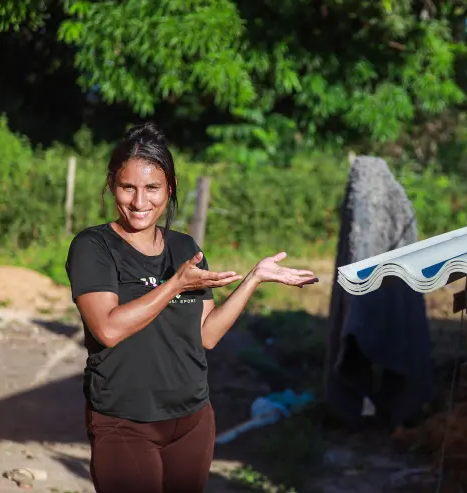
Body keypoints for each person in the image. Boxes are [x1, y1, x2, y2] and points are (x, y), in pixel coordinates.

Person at [65, 122, 318, 493]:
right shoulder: (94, 247)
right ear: (111, 185)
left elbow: (207, 335)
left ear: (170, 188)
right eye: (127, 187)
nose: (139, 202)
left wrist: (254, 278)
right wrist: (175, 285)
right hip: (125, 421)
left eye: (152, 188)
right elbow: (108, 329)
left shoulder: (183, 247)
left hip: (192, 420)